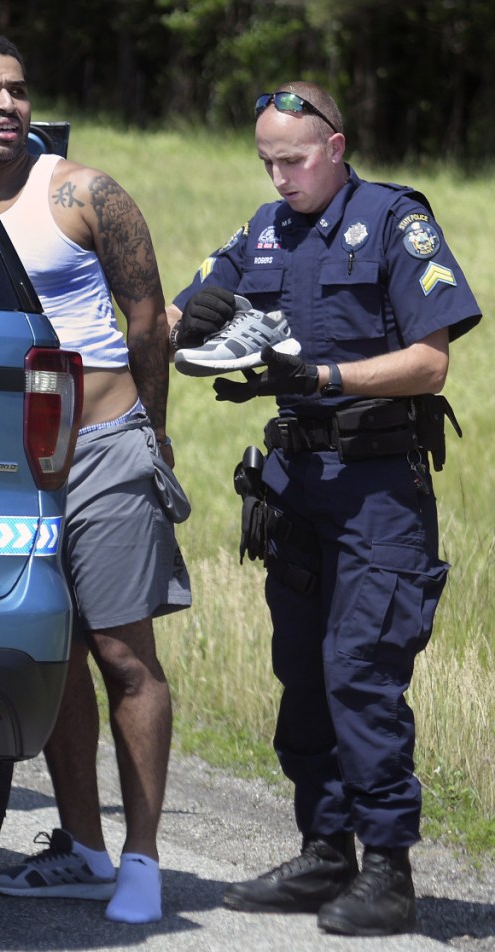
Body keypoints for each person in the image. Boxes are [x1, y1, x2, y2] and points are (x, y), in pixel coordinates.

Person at [168, 83, 481, 936]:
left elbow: (428, 364)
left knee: (362, 673)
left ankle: (389, 872)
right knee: (301, 672)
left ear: (336, 147)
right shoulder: (263, 231)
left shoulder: (391, 221)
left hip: (378, 490)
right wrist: (184, 319)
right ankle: (323, 851)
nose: (280, 177)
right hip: (299, 490)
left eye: (295, 160)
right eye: (267, 161)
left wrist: (325, 379)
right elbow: (178, 315)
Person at [0, 33, 191, 924]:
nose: (6, 105)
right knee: (55, 653)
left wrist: (148, 436)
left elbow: (149, 316)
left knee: (124, 653)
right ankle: (82, 846)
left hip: (102, 447)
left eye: (16, 90)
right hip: (2, 467)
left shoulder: (82, 193)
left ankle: (144, 861)